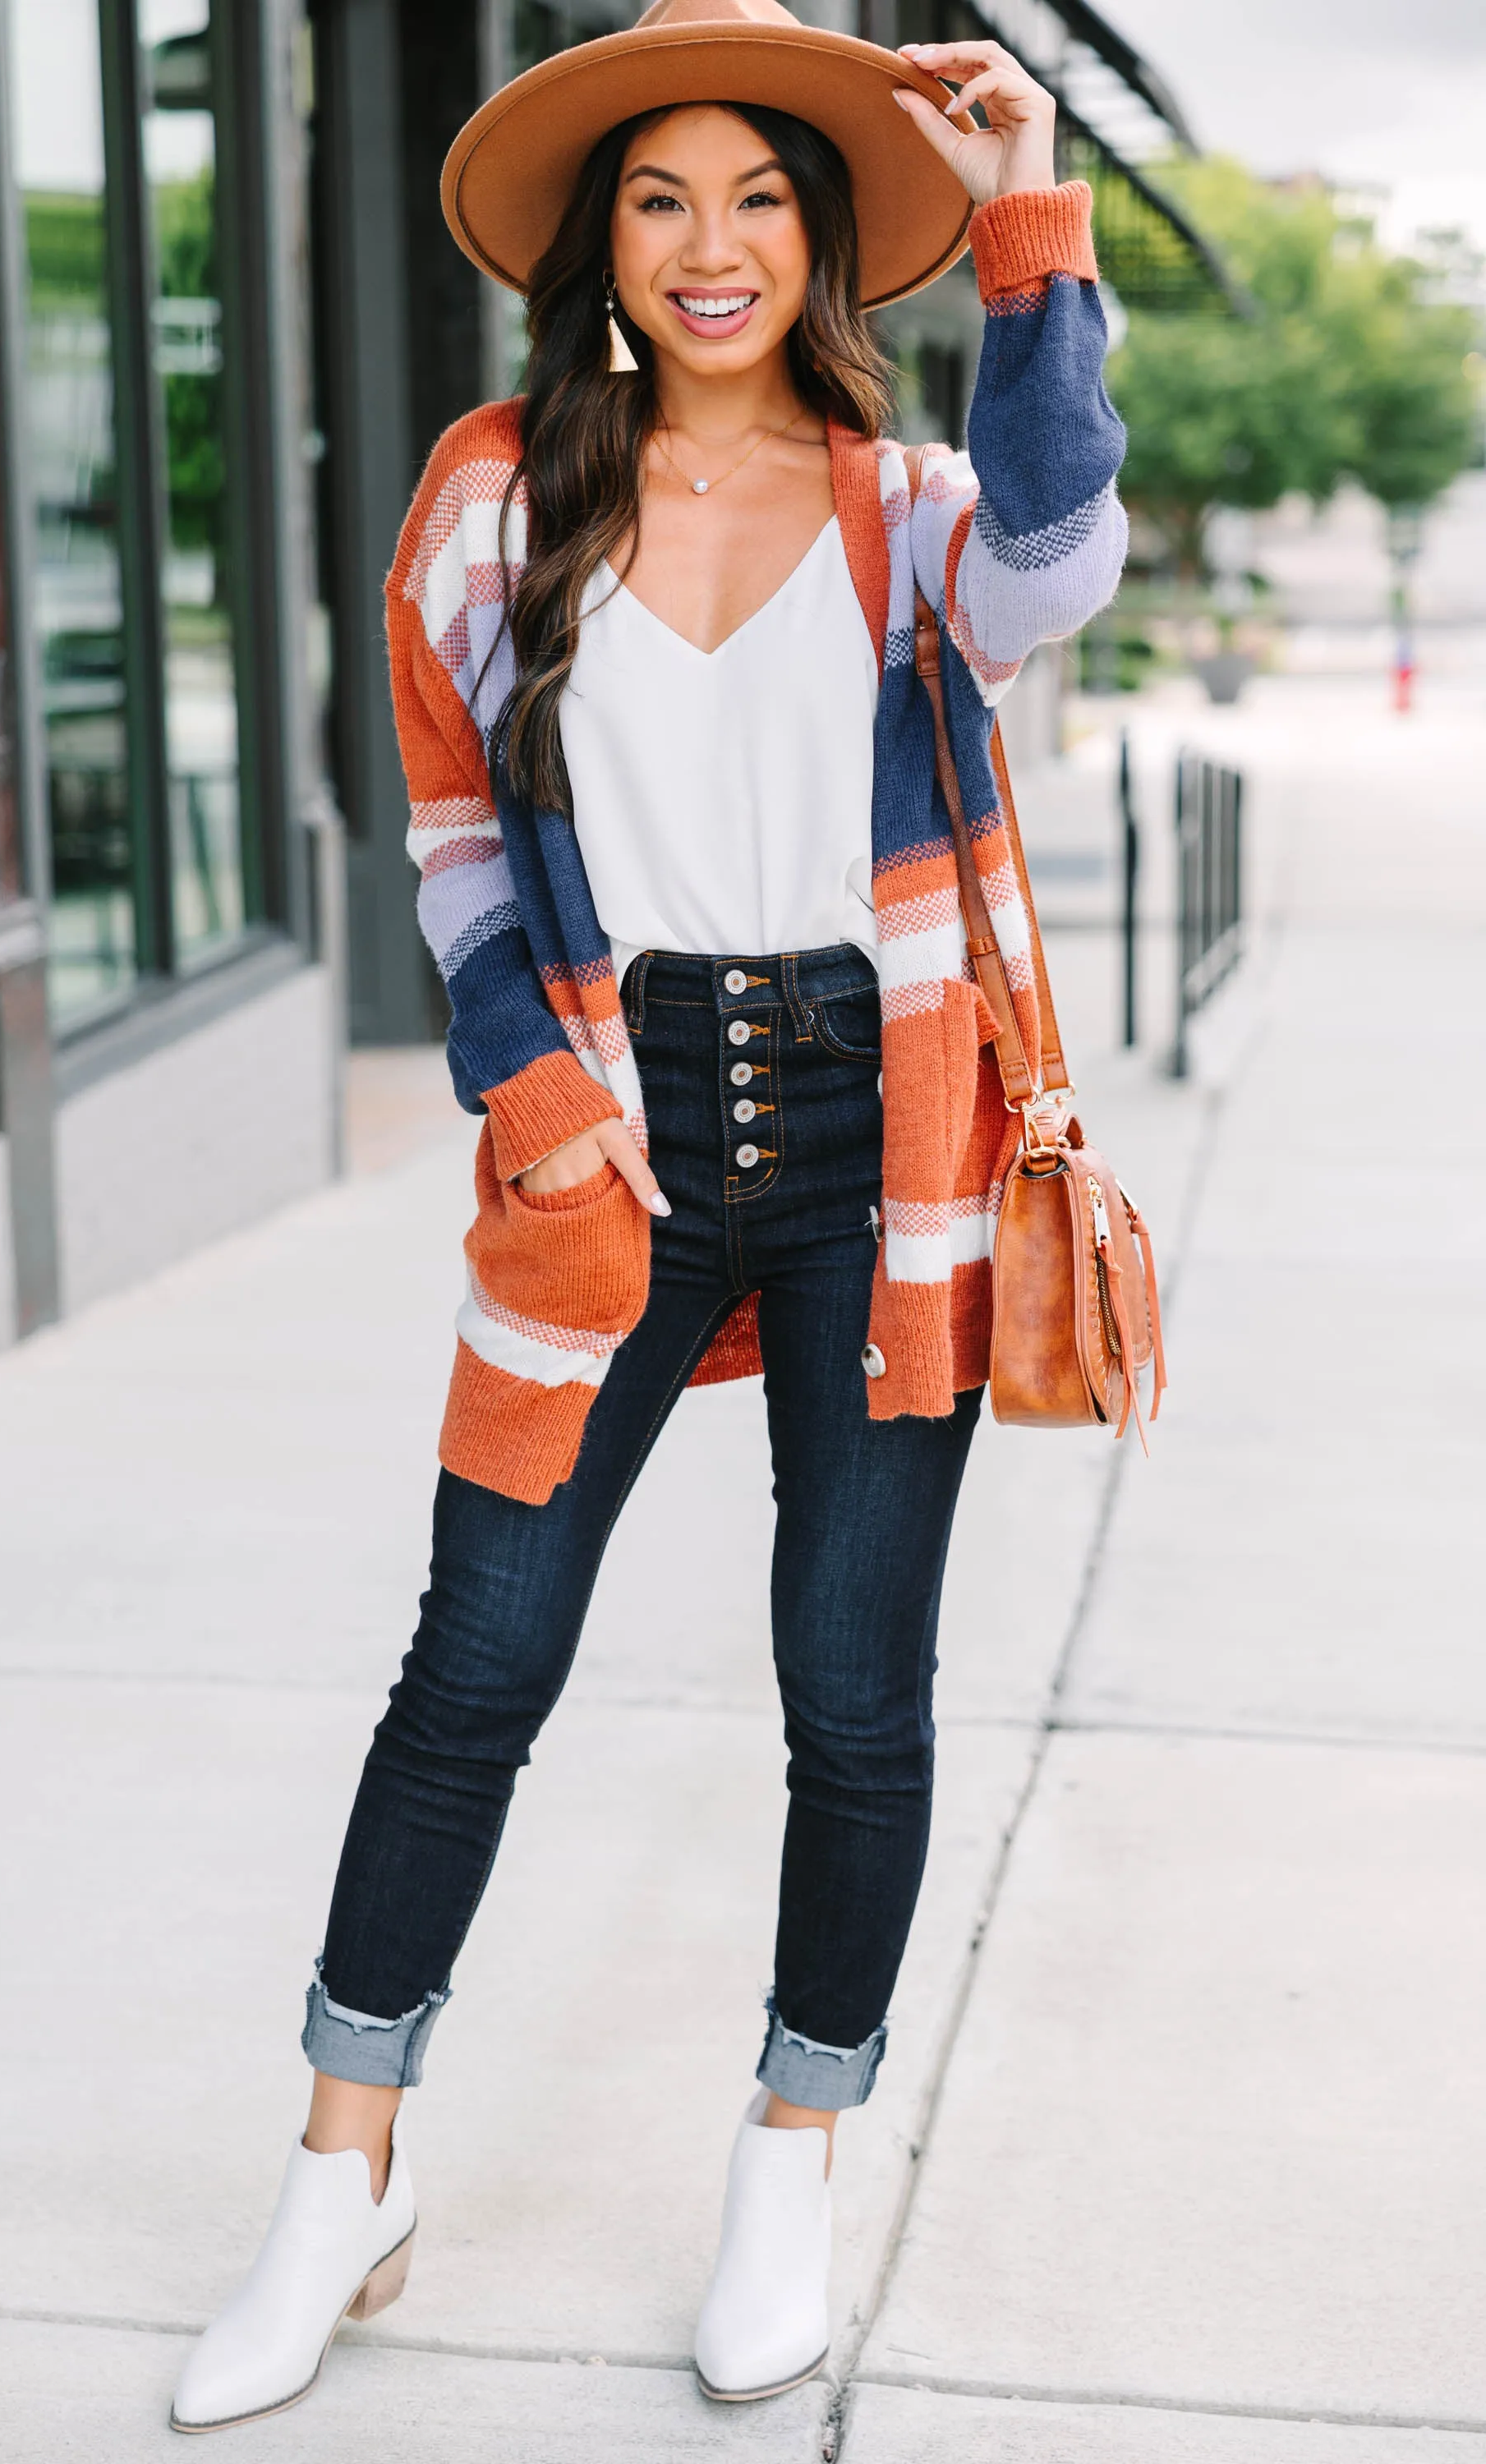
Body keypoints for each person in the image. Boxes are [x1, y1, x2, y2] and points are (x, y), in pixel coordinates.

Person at [170, 0, 1126, 2432]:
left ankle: (792, 2156)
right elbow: (453, 838)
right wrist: (536, 1104)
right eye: (663, 198)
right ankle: (343, 2171)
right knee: (476, 1659)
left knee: (853, 1684)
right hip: (615, 1119)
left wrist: (1035, 224)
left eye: (762, 198)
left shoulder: (910, 507)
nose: (712, 245)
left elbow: (1057, 544)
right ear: (604, 241)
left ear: (821, 242)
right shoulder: (497, 496)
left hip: (881, 1122)